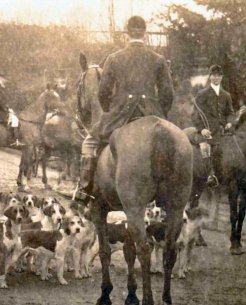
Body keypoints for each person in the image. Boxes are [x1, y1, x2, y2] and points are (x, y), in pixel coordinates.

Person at [68, 15, 174, 204]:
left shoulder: (114, 58)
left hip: (121, 114)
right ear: (145, 33)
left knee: (90, 143)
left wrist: (112, 110)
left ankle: (85, 188)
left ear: (127, 33)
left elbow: (103, 92)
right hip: (152, 112)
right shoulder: (158, 59)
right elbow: (168, 94)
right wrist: (159, 113)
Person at [190, 64, 234, 186]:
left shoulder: (226, 95)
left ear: (222, 77)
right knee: (210, 149)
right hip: (208, 131)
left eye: (219, 75)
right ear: (210, 77)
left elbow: (230, 112)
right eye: (214, 75)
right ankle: (211, 175)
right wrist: (202, 129)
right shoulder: (202, 94)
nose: (216, 78)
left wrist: (230, 122)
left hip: (224, 131)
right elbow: (195, 115)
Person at [0, 72, 24, 147]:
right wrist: (8, 108)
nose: (6, 80)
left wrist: (8, 107)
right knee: (15, 119)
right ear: (0, 78)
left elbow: (1, 100)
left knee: (13, 118)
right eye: (4, 78)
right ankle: (13, 140)